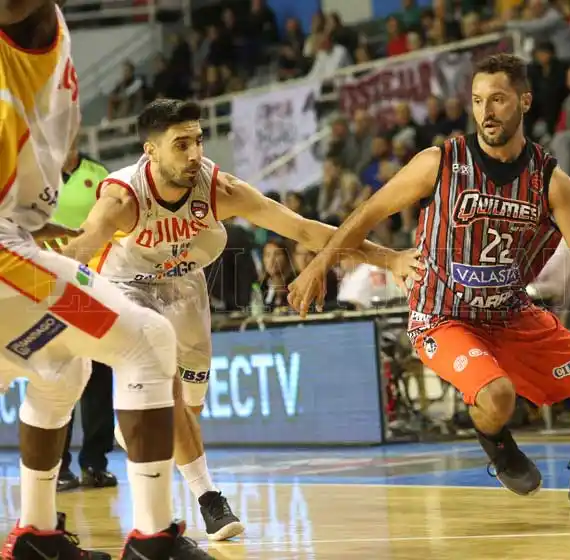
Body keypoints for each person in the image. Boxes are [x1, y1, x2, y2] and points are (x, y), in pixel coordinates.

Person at [287, 53, 570, 507]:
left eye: (498, 99)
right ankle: (498, 447)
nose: (486, 111)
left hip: (510, 311)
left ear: (524, 101)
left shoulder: (551, 181)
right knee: (498, 397)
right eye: (478, 100)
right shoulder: (440, 162)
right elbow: (368, 213)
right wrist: (318, 265)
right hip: (442, 316)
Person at [60, 98, 424, 541]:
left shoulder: (220, 188)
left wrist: (390, 258)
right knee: (165, 382)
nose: (195, 154)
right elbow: (81, 247)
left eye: (198, 141)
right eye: (181, 145)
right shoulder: (124, 197)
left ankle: (140, 417)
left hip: (184, 286)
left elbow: (306, 230)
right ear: (150, 152)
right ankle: (209, 498)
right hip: (127, 285)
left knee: (190, 408)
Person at [0, 2, 194, 558]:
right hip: (5, 262)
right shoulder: (25, 20)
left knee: (61, 367)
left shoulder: (45, 32)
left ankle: (36, 534)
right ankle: (154, 540)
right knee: (146, 340)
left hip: (18, 250)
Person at [51, 137, 118, 492]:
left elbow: (112, 226)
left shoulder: (98, 174)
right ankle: (57, 467)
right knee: (56, 375)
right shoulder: (38, 174)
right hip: (45, 286)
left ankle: (94, 464)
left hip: (92, 285)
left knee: (97, 376)